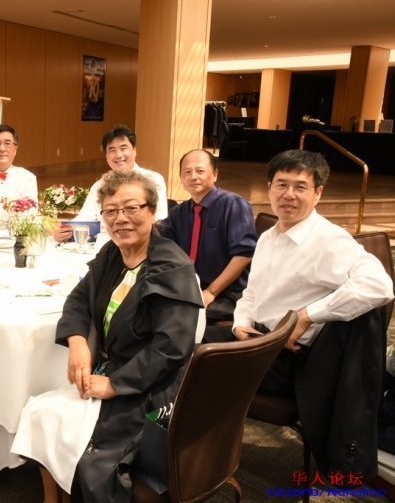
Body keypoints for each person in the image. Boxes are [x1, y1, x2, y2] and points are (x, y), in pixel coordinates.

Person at [207, 149, 394, 482]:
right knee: (177, 341)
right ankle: (177, 437)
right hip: (256, 339)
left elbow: (380, 286)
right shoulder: (268, 237)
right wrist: (240, 325)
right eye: (281, 184)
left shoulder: (328, 241)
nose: (288, 194)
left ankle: (191, 451)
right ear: (269, 188)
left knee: (190, 363)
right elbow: (251, 294)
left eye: (300, 187)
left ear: (317, 193)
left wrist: (308, 315)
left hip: (288, 361)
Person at [45, 169, 203, 501]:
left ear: (152, 212)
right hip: (111, 369)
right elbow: (78, 298)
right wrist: (77, 341)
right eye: (111, 211)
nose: (121, 219)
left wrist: (115, 384)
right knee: (44, 417)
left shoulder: (171, 267)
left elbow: (171, 347)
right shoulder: (112, 255)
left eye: (131, 208)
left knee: (92, 460)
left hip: (150, 386)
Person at [160, 149, 256, 323]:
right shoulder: (179, 212)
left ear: (215, 174)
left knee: (179, 317)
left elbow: (244, 254)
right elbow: (161, 244)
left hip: (228, 293)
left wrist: (211, 291)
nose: (193, 177)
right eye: (187, 172)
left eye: (200, 171)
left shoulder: (233, 204)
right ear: (181, 178)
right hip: (192, 288)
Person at [52, 125, 168, 243]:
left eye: (123, 148)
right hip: (106, 244)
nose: (118, 155)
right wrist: (64, 229)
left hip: (141, 243)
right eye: (112, 150)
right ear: (106, 156)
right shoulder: (99, 186)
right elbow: (84, 217)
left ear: (134, 151)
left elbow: (160, 219)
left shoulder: (153, 180)